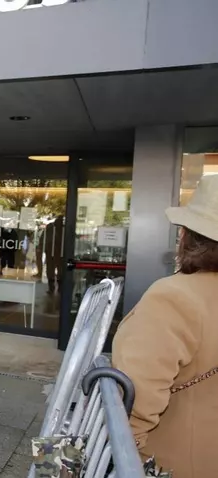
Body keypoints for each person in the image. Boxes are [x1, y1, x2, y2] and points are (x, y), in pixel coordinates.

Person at [112, 175, 218, 477]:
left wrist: (125, 457)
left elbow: (135, 397)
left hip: (174, 461)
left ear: (187, 236)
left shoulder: (174, 296)